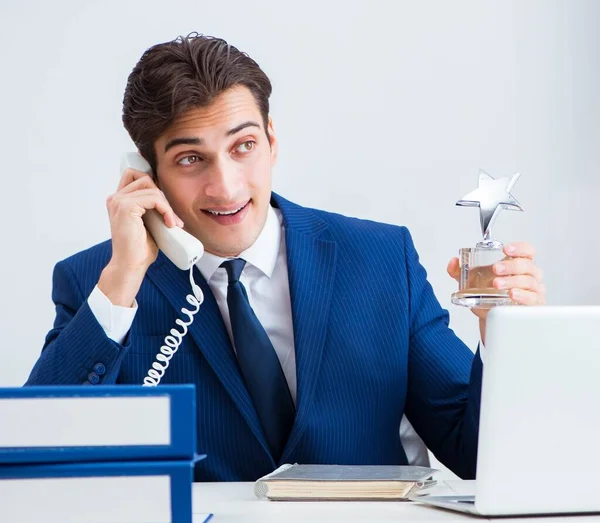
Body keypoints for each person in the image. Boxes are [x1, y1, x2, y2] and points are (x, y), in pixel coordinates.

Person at [26, 33, 545, 481]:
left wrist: (505, 339)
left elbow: (478, 456)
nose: (225, 186)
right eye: (190, 159)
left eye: (243, 146)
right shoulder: (99, 283)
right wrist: (121, 281)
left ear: (272, 142)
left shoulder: (381, 261)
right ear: (147, 173)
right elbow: (38, 459)